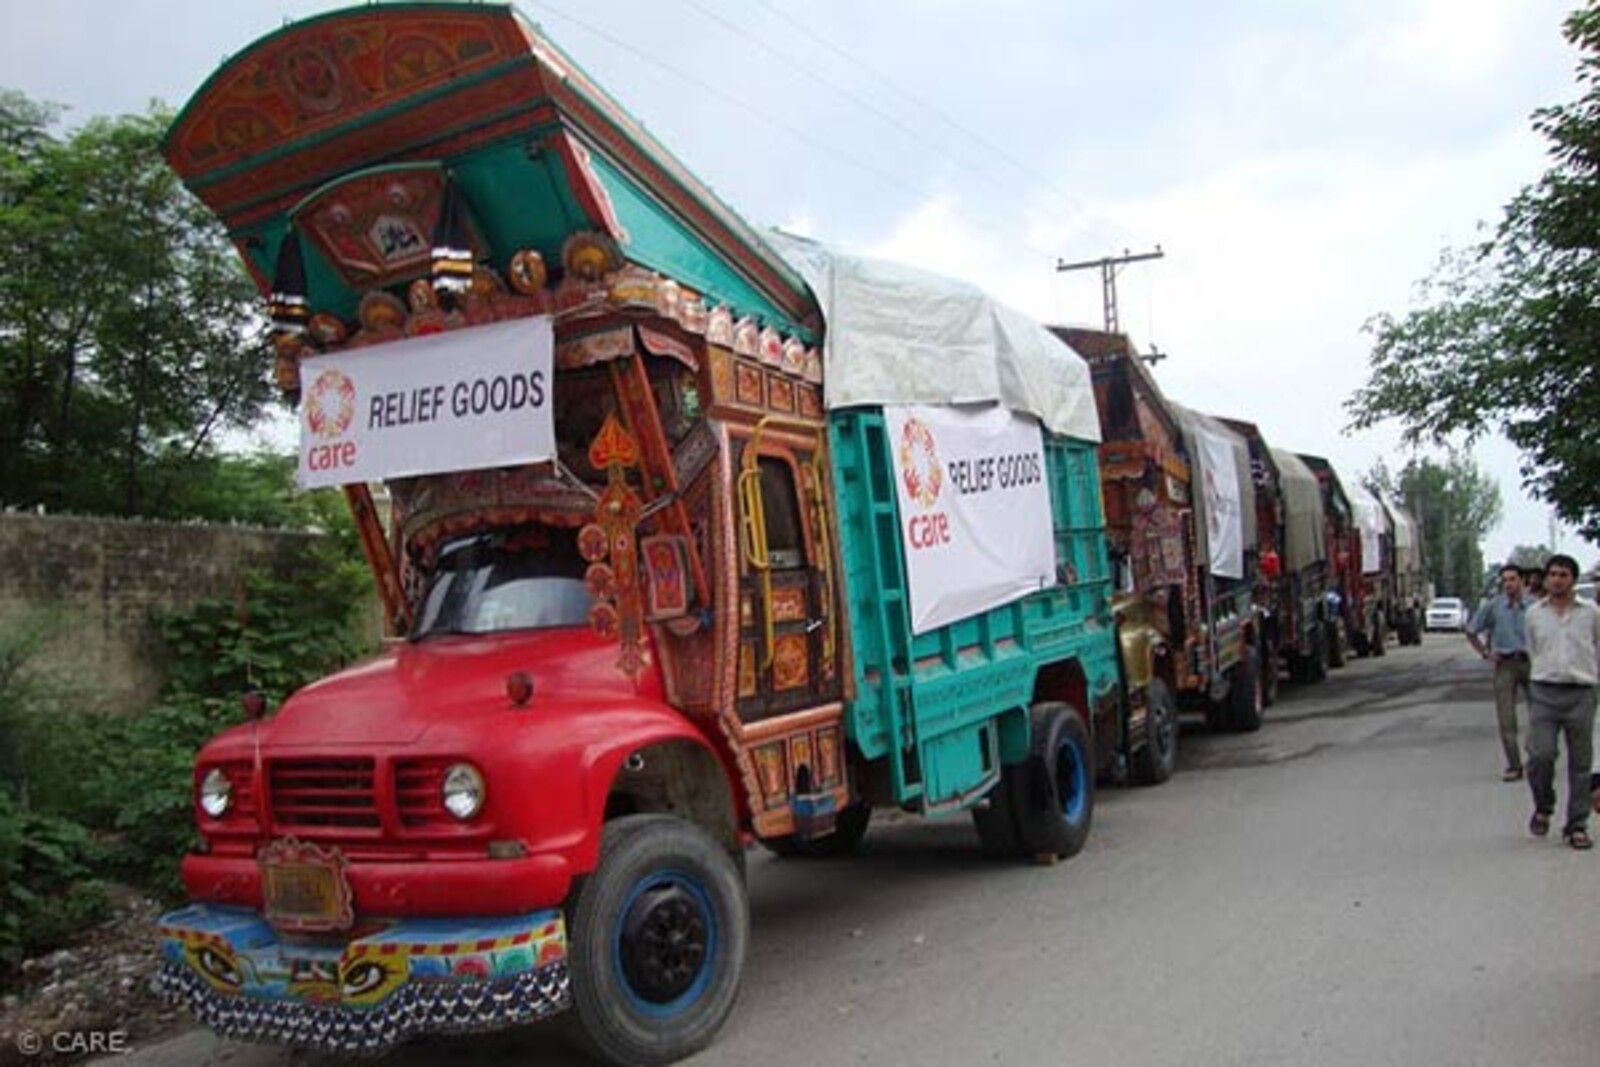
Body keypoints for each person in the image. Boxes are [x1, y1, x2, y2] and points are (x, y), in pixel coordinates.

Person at [1523, 553, 1600, 850]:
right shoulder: (1534, 614)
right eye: (1552, 574)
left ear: (1573, 579)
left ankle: (1577, 825)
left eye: (1563, 575)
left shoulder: (1590, 612)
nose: (1557, 579)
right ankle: (1544, 805)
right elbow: (1533, 648)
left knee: (1580, 763)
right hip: (1544, 691)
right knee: (1540, 755)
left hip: (1581, 691)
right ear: (1545, 579)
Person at [1465, 563, 1530, 781]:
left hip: (1531, 662)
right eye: (1505, 580)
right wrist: (1485, 652)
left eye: (1513, 579)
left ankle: (1537, 757)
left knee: (1541, 714)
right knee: (1506, 717)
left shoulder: (1535, 606)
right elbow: (1472, 630)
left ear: (1521, 581)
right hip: (1505, 664)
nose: (1509, 584)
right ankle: (1514, 764)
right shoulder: (1494, 607)